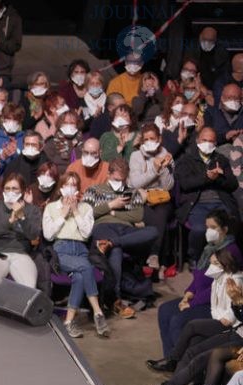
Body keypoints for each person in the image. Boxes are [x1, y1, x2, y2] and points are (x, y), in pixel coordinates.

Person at [151, 209, 241, 362]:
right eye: (207, 227)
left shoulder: (230, 252)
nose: (208, 231)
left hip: (212, 304)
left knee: (178, 320)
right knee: (164, 310)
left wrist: (192, 303)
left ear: (224, 230)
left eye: (213, 228)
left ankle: (182, 361)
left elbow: (216, 287)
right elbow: (198, 278)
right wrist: (188, 294)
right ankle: (170, 358)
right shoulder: (209, 249)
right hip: (197, 298)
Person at [83, 158, 158, 318]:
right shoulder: (94, 190)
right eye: (117, 179)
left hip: (126, 230)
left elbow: (137, 215)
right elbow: (87, 212)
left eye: (123, 180)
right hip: (103, 227)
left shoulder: (132, 192)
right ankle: (115, 300)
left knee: (152, 231)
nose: (120, 183)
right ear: (109, 174)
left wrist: (113, 212)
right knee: (115, 251)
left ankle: (110, 243)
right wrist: (110, 205)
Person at [42, 171, 110, 338]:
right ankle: (98, 312)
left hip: (80, 249)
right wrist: (64, 213)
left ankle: (68, 322)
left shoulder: (86, 208)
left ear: (78, 190)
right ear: (61, 188)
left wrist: (76, 211)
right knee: (86, 267)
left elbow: (86, 233)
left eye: (74, 185)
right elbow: (48, 235)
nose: (70, 189)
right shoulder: (51, 207)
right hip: (61, 249)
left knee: (80, 276)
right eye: (67, 185)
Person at [175, 127, 238, 264]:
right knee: (199, 229)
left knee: (230, 226)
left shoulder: (221, 159)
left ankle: (225, 259)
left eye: (211, 141)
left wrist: (219, 178)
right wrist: (207, 177)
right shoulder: (186, 160)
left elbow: (233, 184)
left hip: (221, 203)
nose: (207, 143)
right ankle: (195, 258)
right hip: (197, 204)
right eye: (204, 140)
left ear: (216, 143)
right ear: (198, 140)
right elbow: (186, 184)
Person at [0, 173, 40, 301]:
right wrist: (10, 221)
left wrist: (22, 217)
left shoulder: (32, 210)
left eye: (14, 189)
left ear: (23, 191)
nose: (10, 192)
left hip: (21, 253)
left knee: (29, 285)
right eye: (7, 188)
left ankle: (21, 314)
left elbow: (34, 234)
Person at [128, 122, 174, 273]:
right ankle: (158, 258)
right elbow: (135, 183)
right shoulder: (135, 156)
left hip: (161, 197)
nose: (149, 142)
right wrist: (154, 170)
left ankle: (153, 256)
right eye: (146, 139)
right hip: (141, 197)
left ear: (159, 139)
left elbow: (168, 186)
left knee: (161, 213)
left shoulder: (166, 154)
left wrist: (164, 169)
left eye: (152, 138)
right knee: (157, 220)